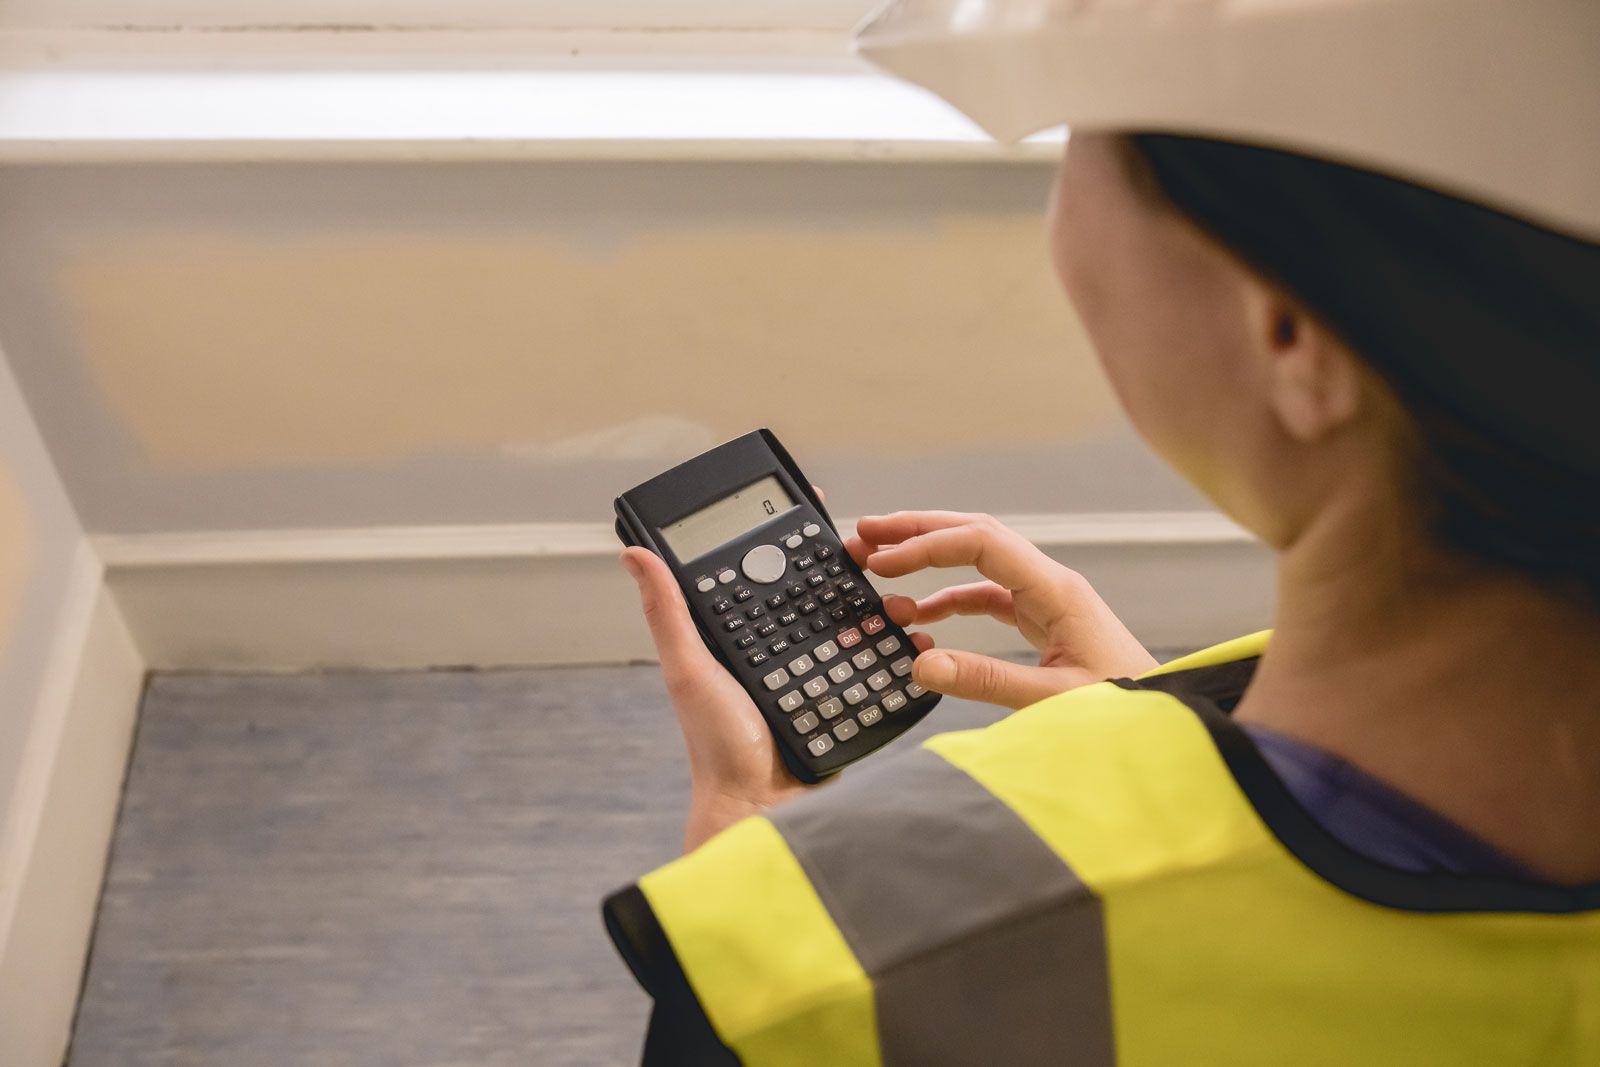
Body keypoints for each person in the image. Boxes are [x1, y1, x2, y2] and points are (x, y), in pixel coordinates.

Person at [604, 0, 1600, 1062]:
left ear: (1290, 336)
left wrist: (760, 884)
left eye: (1090, 131)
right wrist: (1164, 726)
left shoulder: (816, 969)